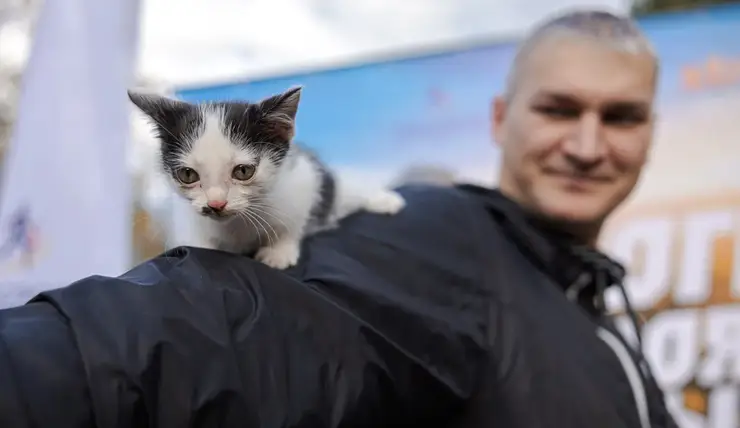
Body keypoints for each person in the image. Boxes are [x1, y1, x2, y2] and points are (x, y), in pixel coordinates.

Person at [0, 9, 678, 428]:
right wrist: (39, 366)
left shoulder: (608, 325)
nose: (588, 146)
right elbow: (228, 333)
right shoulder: (443, 236)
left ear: (651, 133)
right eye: (559, 109)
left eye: (621, 116)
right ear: (501, 120)